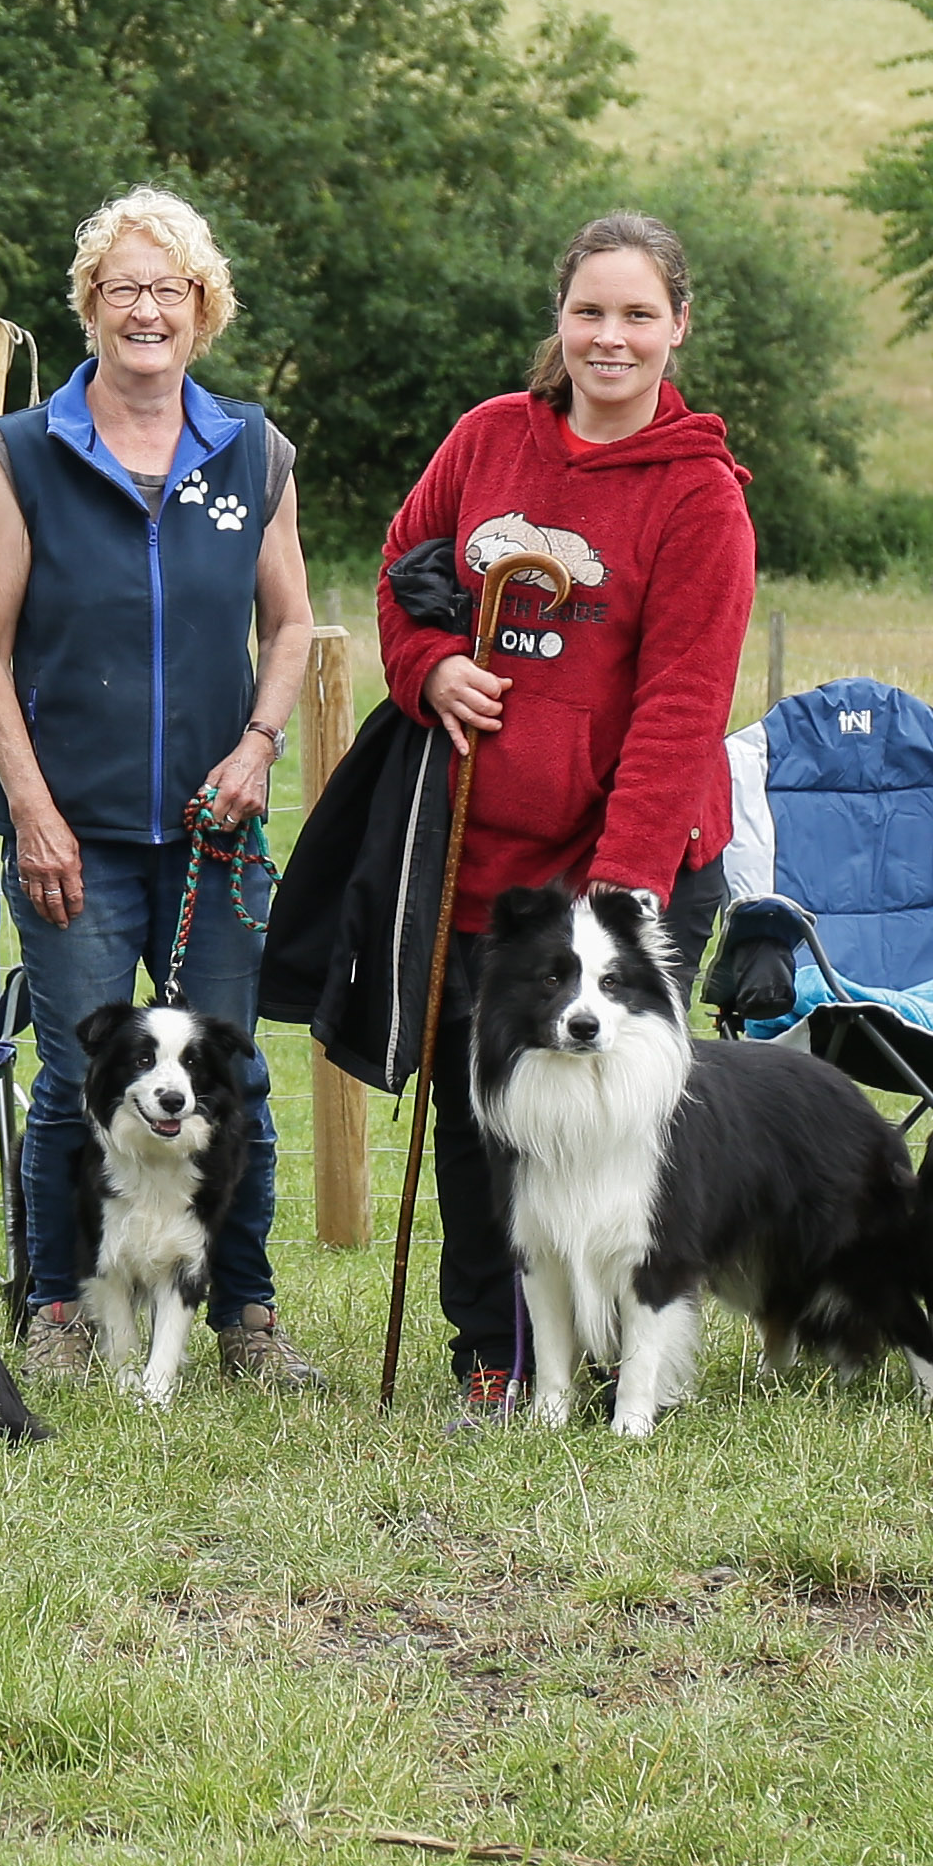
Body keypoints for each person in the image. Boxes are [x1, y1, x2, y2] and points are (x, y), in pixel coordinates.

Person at [372, 210, 757, 1418]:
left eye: (638, 314)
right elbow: (402, 563)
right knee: (486, 1112)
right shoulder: (490, 438)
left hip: (620, 875)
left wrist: (619, 896)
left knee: (616, 1121)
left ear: (676, 325)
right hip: (480, 862)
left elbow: (681, 709)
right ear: (560, 318)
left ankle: (622, 1353)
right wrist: (428, 663)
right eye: (590, 311)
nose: (610, 336)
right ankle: (495, 1353)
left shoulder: (700, 498)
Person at [0, 188, 324, 1392]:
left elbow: (291, 625)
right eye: (122, 289)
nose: (146, 310)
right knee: (77, 1073)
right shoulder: (22, 452)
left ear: (202, 308)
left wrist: (261, 742)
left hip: (215, 833)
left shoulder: (252, 450)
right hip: (72, 832)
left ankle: (247, 1315)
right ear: (91, 308)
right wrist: (35, 809)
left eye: (168, 289)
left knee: (235, 1081)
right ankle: (55, 1307)